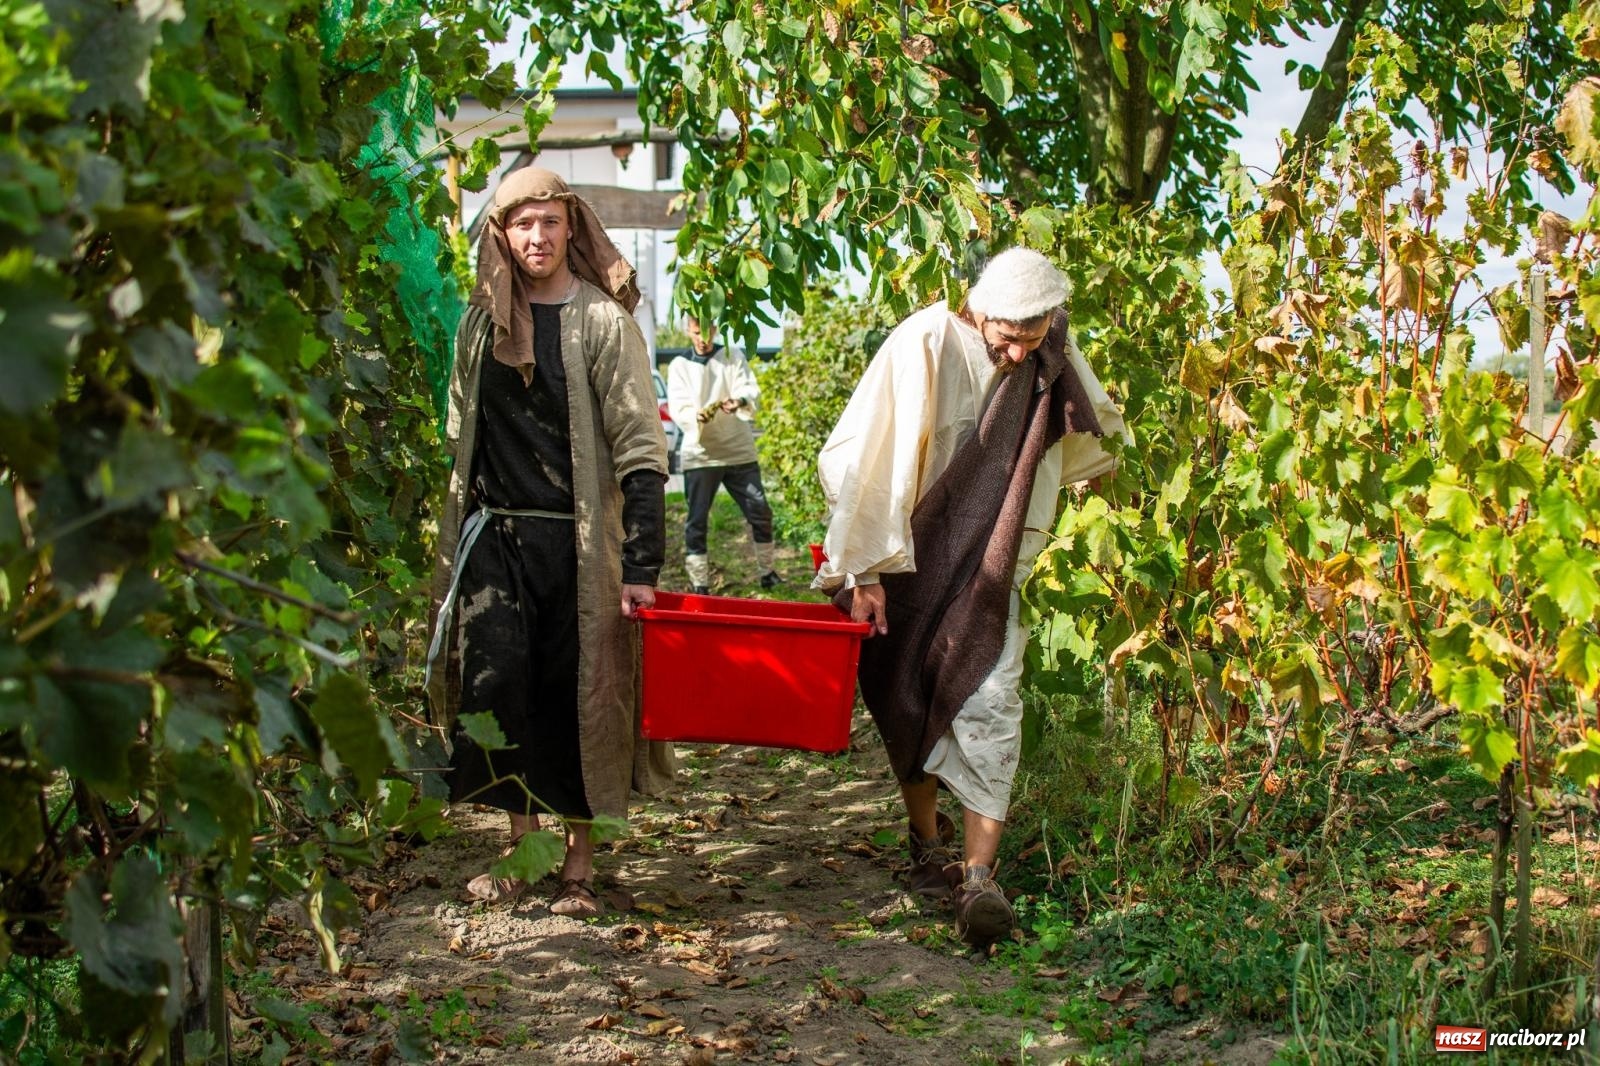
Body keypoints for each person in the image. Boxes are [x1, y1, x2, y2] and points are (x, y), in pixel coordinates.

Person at [813, 248, 1126, 947]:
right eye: (1008, 336)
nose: (1018, 353)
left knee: (993, 699)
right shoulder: (926, 342)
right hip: (907, 558)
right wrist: (865, 570)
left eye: (1032, 338)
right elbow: (870, 457)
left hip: (993, 561)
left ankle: (980, 879)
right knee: (905, 698)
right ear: (980, 310)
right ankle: (927, 848)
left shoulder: (1049, 349)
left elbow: (1088, 426)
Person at [425, 167, 675, 917]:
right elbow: (461, 438)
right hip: (495, 540)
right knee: (499, 688)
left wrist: (640, 562)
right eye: (522, 223)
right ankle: (519, 851)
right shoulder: (480, 326)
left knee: (577, 696)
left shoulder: (601, 323)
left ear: (572, 228)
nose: (537, 236)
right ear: (502, 234)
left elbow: (640, 447)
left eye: (550, 222)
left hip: (579, 547)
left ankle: (578, 866)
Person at [666, 316, 780, 594]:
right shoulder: (680, 365)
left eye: (707, 332)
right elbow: (678, 406)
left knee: (760, 509)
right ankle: (700, 583)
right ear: (688, 331)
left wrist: (739, 400)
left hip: (737, 449)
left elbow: (748, 386)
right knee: (697, 519)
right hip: (701, 453)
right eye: (697, 333)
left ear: (715, 329)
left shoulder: (732, 355)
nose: (703, 339)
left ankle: (768, 572)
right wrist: (697, 416)